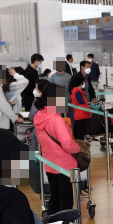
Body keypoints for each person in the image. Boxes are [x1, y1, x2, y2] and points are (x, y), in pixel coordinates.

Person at [34, 83, 88, 214]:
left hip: (49, 164)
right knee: (66, 201)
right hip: (63, 166)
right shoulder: (56, 119)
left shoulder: (39, 117)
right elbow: (67, 144)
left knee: (55, 198)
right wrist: (77, 148)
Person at [69, 73, 91, 140]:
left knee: (78, 135)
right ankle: (80, 149)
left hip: (79, 116)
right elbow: (82, 105)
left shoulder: (76, 92)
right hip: (81, 116)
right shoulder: (77, 93)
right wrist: (90, 111)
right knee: (80, 136)